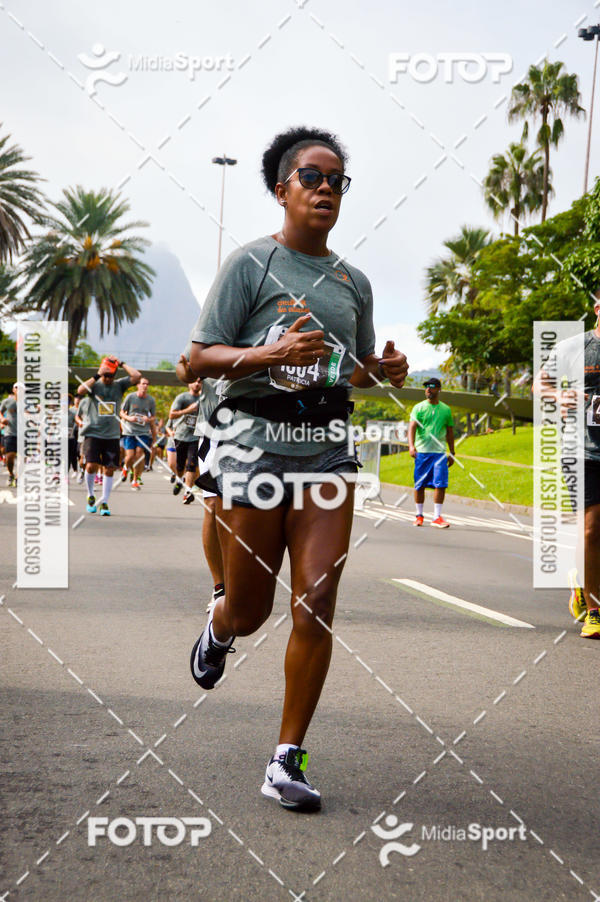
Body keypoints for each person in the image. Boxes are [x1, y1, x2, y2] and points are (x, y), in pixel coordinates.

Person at [187, 126, 408, 811]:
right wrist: (268, 356)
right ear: (282, 189)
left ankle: (287, 759)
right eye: (312, 177)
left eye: (337, 180)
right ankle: (220, 626)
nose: (326, 189)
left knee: (317, 599)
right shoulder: (250, 265)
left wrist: (381, 370)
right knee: (251, 611)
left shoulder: (352, 283)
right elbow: (198, 357)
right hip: (254, 447)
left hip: (326, 450)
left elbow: (353, 369)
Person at [536, 290, 600, 639]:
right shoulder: (574, 347)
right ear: (597, 308)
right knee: (591, 529)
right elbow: (540, 385)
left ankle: (583, 582)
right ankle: (595, 610)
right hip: (583, 450)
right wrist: (559, 395)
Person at [176, 352, 225, 611]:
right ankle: (220, 587)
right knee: (214, 506)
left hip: (261, 428)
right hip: (215, 431)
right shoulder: (215, 332)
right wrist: (187, 369)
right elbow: (185, 371)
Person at [77, 356, 141, 515]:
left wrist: (122, 363)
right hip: (93, 432)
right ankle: (90, 494)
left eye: (111, 376)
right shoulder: (95, 384)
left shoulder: (119, 385)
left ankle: (104, 502)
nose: (108, 379)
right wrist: (98, 374)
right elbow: (80, 391)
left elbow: (137, 376)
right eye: (105, 376)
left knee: (110, 468)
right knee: (91, 465)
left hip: (112, 434)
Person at [408, 378, 455, 528]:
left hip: (439, 453)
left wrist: (452, 452)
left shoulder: (446, 409)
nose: (428, 389)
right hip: (422, 452)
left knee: (440, 484)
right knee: (419, 484)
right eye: (426, 386)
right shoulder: (419, 407)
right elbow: (412, 427)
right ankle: (419, 515)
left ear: (439, 389)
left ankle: (436, 517)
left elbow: (449, 432)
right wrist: (411, 446)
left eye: (432, 386)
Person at [120, 376, 156, 490]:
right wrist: (129, 418)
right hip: (130, 431)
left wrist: (148, 419)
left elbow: (153, 417)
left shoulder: (151, 400)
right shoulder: (130, 397)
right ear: (138, 385)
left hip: (143, 431)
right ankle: (125, 468)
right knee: (130, 456)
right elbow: (121, 412)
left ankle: (135, 480)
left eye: (147, 384)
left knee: (139, 455)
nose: (145, 386)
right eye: (143, 384)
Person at [169, 380, 202, 504]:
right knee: (180, 466)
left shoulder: (204, 399)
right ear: (189, 384)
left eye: (199, 382)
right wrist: (188, 410)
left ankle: (187, 492)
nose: (197, 384)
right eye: (194, 382)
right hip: (181, 436)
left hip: (196, 437)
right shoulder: (182, 398)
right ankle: (179, 480)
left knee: (191, 465)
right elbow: (171, 415)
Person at [0, 382, 18, 487]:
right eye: (16, 388)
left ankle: (18, 477)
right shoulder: (7, 401)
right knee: (10, 457)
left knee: (22, 458)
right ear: (13, 390)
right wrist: (2, 419)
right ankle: (11, 474)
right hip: (10, 433)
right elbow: (0, 412)